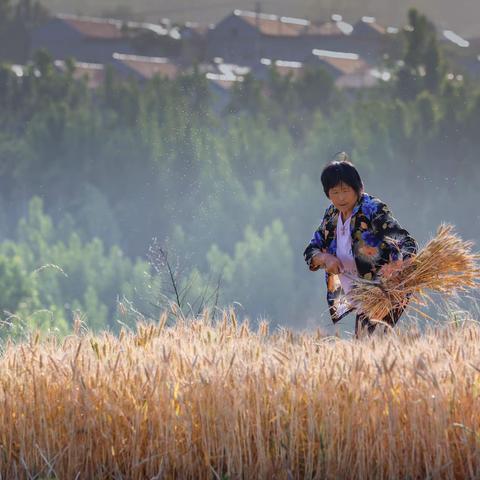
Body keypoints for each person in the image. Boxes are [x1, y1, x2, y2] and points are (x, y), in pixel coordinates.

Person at [303, 153, 418, 337]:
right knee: (366, 347)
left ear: (358, 188)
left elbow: (405, 241)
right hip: (361, 296)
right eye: (335, 192)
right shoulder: (332, 215)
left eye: (346, 190)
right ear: (328, 194)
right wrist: (325, 258)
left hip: (385, 290)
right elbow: (311, 251)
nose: (341, 197)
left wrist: (399, 267)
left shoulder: (371, 209)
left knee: (367, 343)